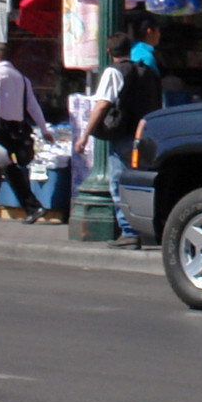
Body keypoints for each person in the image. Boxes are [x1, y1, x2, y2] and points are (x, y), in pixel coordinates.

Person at [76, 30, 161, 248]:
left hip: (123, 136)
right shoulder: (148, 72)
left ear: (108, 52)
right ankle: (149, 227)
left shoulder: (114, 72)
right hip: (145, 136)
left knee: (118, 183)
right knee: (142, 183)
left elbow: (102, 104)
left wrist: (85, 135)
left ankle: (129, 231)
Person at [0, 43, 52, 223]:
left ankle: (30, 207)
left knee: (0, 167)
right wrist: (44, 128)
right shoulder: (21, 78)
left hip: (0, 127)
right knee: (6, 168)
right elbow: (32, 105)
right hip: (18, 127)